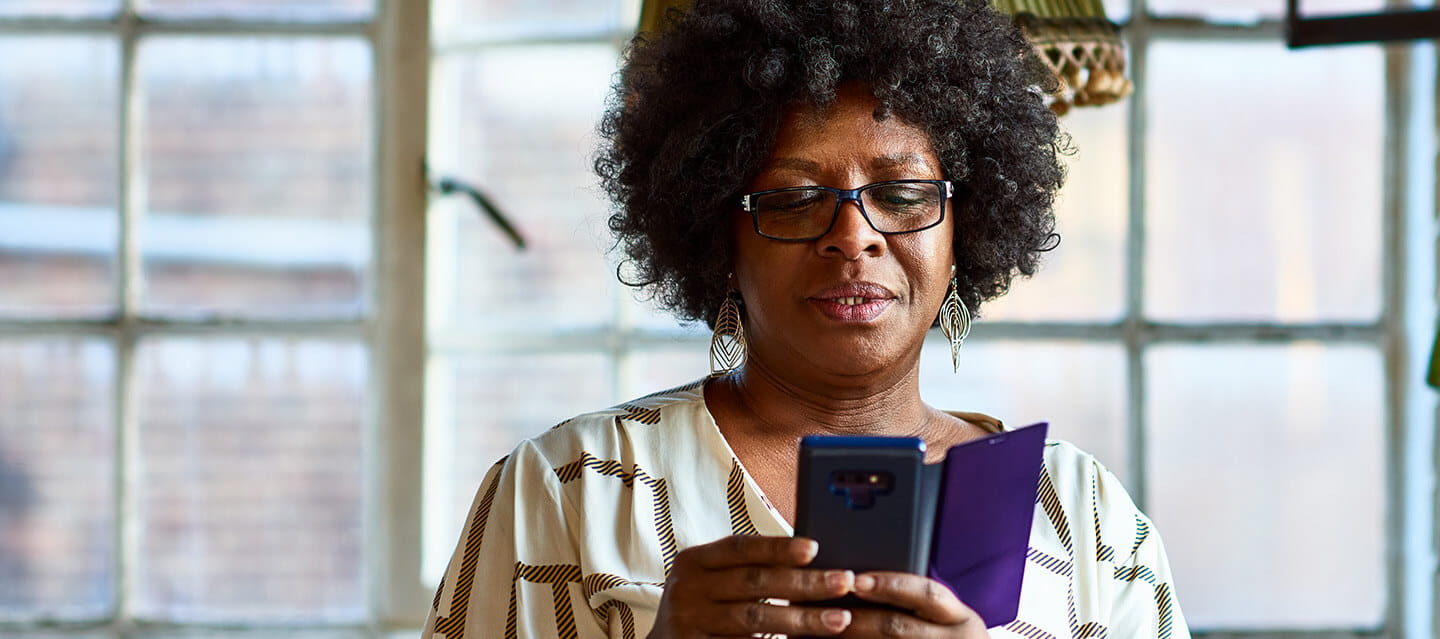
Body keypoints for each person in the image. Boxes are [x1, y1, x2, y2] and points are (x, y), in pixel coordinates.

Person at [423, 0, 1189, 637]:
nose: (853, 234)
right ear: (719, 241)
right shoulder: (567, 488)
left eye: (903, 194)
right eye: (792, 199)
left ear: (969, 231)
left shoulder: (1086, 521)